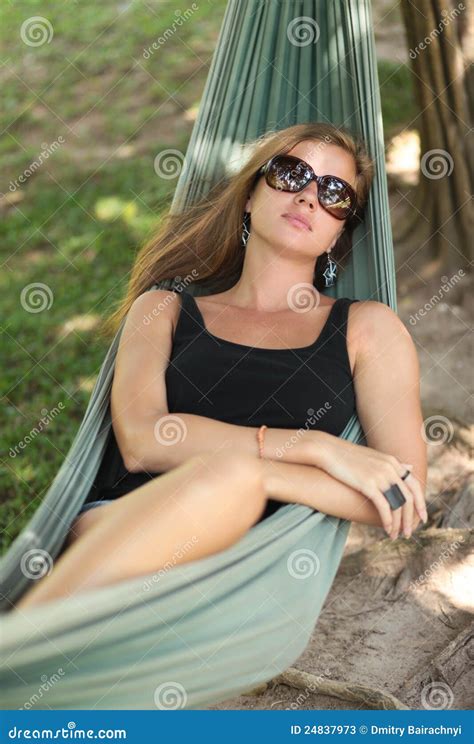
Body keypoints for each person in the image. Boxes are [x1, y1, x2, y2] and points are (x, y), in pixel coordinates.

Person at [16, 122, 427, 610]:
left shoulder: (368, 329)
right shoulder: (162, 310)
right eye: (291, 173)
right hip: (121, 525)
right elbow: (144, 444)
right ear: (250, 196)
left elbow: (404, 496)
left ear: (339, 235)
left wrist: (264, 479)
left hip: (246, 568)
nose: (310, 198)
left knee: (237, 480)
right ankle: (22, 649)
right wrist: (315, 448)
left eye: (335, 193)